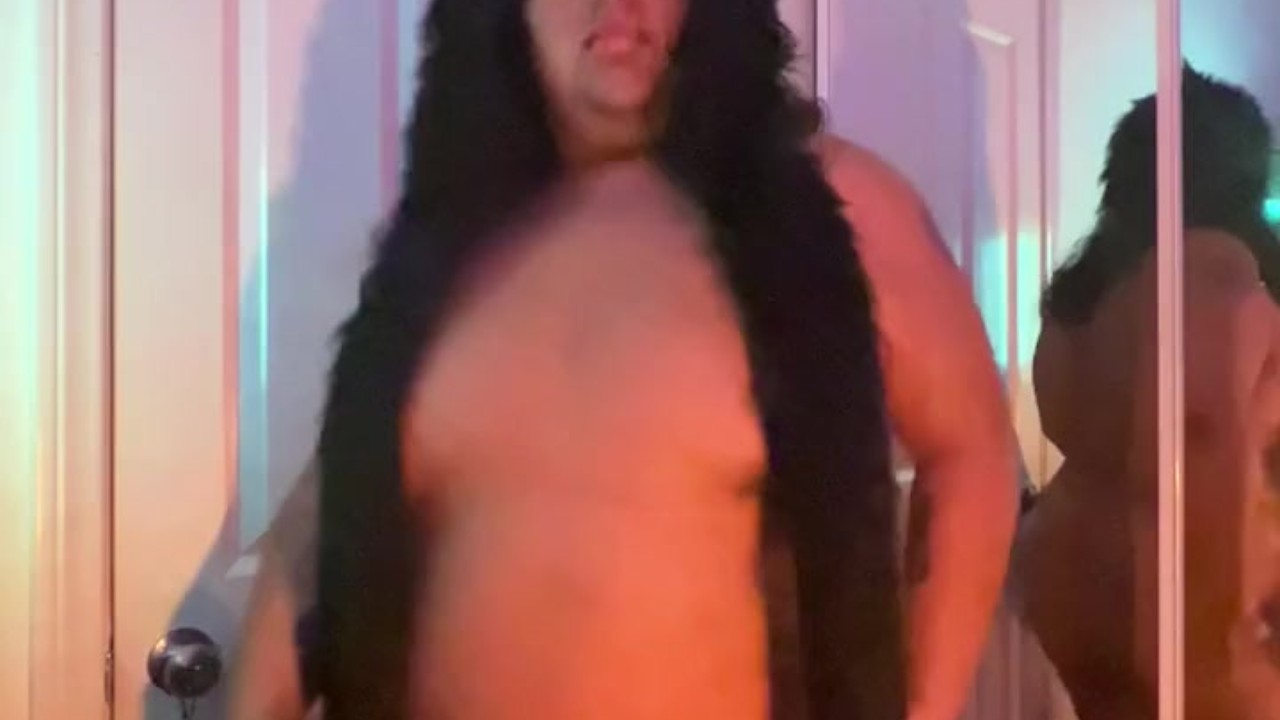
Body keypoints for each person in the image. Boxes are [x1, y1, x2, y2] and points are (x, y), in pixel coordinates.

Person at [229, 0, 1019, 718]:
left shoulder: (830, 209)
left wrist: (923, 709)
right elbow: (342, 494)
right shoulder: (447, 238)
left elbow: (974, 453)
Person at [1014, 66, 1280, 720]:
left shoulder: (1080, 298)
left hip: (1072, 584)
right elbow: (1213, 480)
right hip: (1187, 607)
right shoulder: (1219, 290)